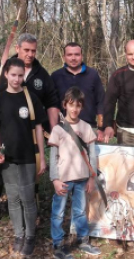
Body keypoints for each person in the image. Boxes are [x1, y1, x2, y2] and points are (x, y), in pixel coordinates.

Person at [0, 33, 59, 233]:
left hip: (30, 135)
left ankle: (31, 212)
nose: (30, 54)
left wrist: (54, 131)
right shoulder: (2, 70)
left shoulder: (41, 75)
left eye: (33, 50)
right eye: (26, 50)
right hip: (3, 133)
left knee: (31, 175)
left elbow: (52, 103)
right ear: (17, 48)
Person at [0, 58, 46, 256]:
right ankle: (19, 234)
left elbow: (38, 129)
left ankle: (30, 235)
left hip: (28, 157)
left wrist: (42, 158)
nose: (17, 79)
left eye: (20, 76)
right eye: (13, 75)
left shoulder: (30, 99)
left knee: (28, 198)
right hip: (7, 158)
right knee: (13, 198)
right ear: (6, 75)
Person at [48, 87, 101, 258]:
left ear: (82, 107)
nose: (74, 109)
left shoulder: (86, 127)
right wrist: (55, 179)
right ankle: (58, 245)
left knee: (80, 211)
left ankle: (82, 240)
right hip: (63, 180)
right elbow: (53, 156)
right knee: (58, 213)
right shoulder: (58, 129)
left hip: (82, 179)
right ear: (65, 105)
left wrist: (92, 178)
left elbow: (92, 154)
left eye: (78, 106)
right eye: (71, 105)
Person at [51, 42, 105, 141]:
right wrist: (53, 128)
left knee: (90, 156)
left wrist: (101, 128)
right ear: (64, 57)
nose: (73, 58)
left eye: (76, 54)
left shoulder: (92, 75)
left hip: (89, 128)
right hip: (64, 128)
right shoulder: (56, 76)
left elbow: (101, 101)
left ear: (81, 56)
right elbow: (52, 106)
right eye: (69, 55)